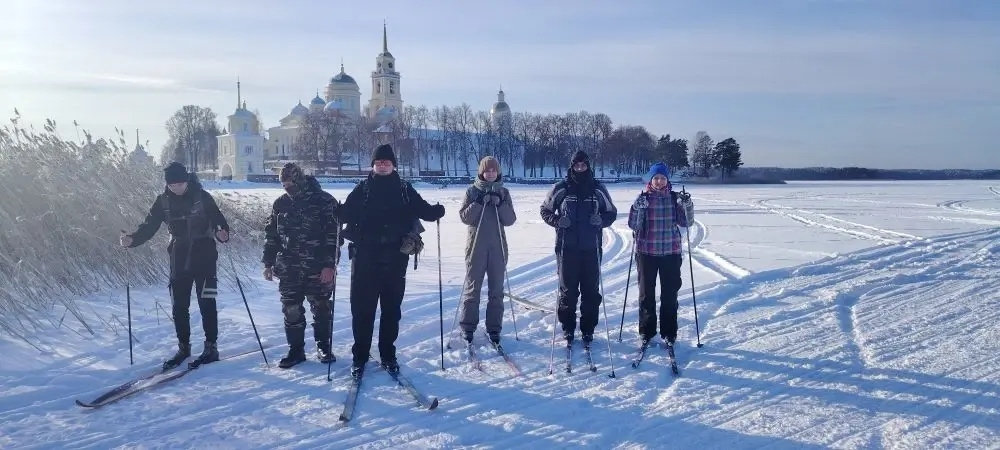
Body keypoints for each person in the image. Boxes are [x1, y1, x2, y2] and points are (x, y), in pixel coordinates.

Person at [338, 144, 446, 378]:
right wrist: (337, 211)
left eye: (386, 162)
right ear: (373, 165)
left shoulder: (405, 189)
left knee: (391, 311)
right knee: (362, 310)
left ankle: (388, 354)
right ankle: (360, 356)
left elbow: (424, 210)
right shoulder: (363, 189)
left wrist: (436, 211)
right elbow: (346, 213)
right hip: (365, 259)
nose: (382, 165)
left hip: (396, 259)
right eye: (378, 162)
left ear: (394, 165)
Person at [120, 162, 230, 370]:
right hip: (179, 257)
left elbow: (219, 221)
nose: (176, 188)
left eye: (180, 183)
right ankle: (183, 347)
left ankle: (211, 347)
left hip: (205, 255)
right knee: (179, 306)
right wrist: (132, 240)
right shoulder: (163, 202)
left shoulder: (202, 197)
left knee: (207, 302)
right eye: (172, 184)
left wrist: (222, 233)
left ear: (186, 180)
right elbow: (149, 226)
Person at [262, 163, 342, 369]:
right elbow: (272, 236)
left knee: (321, 307)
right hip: (288, 267)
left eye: (290, 183)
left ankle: (324, 346)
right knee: (291, 309)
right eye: (284, 184)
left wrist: (329, 266)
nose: (287, 188)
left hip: (318, 266)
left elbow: (334, 237)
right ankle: (295, 349)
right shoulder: (280, 204)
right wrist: (268, 263)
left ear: (301, 180)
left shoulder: (324, 201)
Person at [539, 151, 617, 347]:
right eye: (577, 165)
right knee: (568, 291)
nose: (580, 168)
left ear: (588, 166)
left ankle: (588, 329)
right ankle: (567, 328)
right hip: (566, 248)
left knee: (591, 291)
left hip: (591, 248)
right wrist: (557, 220)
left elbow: (611, 212)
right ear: (571, 167)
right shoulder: (561, 188)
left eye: (583, 165)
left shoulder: (598, 189)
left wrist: (602, 220)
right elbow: (545, 210)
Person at [627, 162, 694, 352]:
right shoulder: (643, 199)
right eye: (655, 178)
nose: (659, 181)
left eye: (662, 178)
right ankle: (646, 332)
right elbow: (633, 225)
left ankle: (669, 333)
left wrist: (687, 205)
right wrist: (637, 207)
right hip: (646, 252)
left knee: (669, 295)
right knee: (646, 295)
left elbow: (687, 221)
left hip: (671, 253)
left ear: (667, 180)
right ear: (651, 179)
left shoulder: (674, 199)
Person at [458, 156, 517, 345]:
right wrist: (478, 202)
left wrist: (500, 203)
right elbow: (465, 218)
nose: (490, 173)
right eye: (487, 170)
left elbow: (510, 220)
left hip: (498, 248)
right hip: (476, 248)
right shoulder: (472, 191)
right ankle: (468, 327)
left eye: (493, 170)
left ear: (498, 172)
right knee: (473, 288)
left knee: (496, 291)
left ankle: (494, 328)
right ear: (481, 172)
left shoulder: (504, 192)